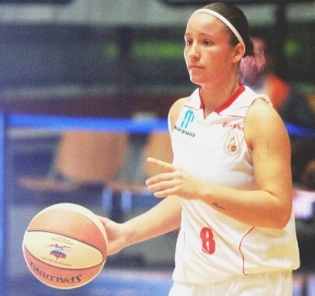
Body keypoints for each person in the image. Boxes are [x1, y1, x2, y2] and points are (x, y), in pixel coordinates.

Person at [99, 2, 300, 295]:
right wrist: (125, 233)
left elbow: (278, 210)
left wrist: (202, 190)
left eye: (207, 43)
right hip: (192, 278)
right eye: (189, 41)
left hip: (253, 279)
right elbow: (186, 200)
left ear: (237, 52)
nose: (193, 52)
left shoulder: (260, 118)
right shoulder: (181, 113)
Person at [242, 33, 315, 188]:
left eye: (259, 53)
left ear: (269, 58)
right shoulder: (225, 94)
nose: (252, 59)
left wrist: (282, 147)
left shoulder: (288, 96)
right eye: (248, 53)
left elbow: (310, 135)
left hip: (281, 174)